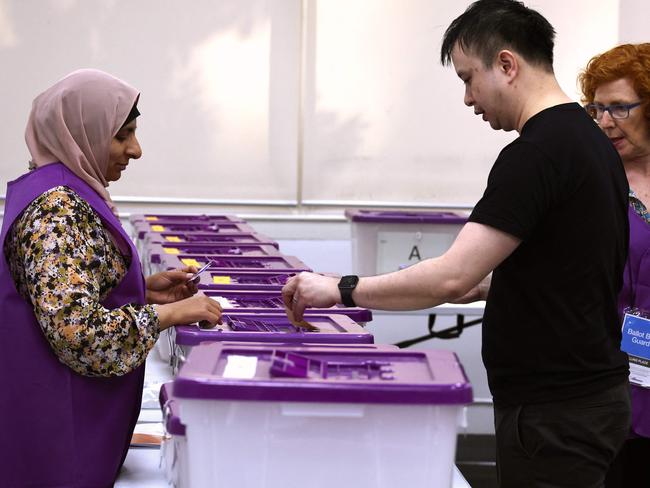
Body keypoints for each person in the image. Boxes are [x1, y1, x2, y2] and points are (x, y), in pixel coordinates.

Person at [282, 1, 631, 486]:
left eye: (469, 78)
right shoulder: (589, 142)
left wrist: (340, 289)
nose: (468, 99)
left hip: (554, 412)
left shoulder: (535, 155)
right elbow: (556, 267)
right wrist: (490, 285)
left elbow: (452, 275)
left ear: (507, 65)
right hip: (584, 400)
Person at [0, 69, 223, 487]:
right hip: (54, 443)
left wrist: (142, 292)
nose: (135, 150)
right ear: (81, 131)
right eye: (123, 135)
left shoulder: (67, 191)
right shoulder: (55, 212)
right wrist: (170, 314)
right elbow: (79, 334)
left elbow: (74, 289)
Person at [579, 42, 650, 488]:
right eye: (597, 109)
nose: (605, 122)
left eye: (620, 108)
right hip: (610, 381)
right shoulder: (588, 179)